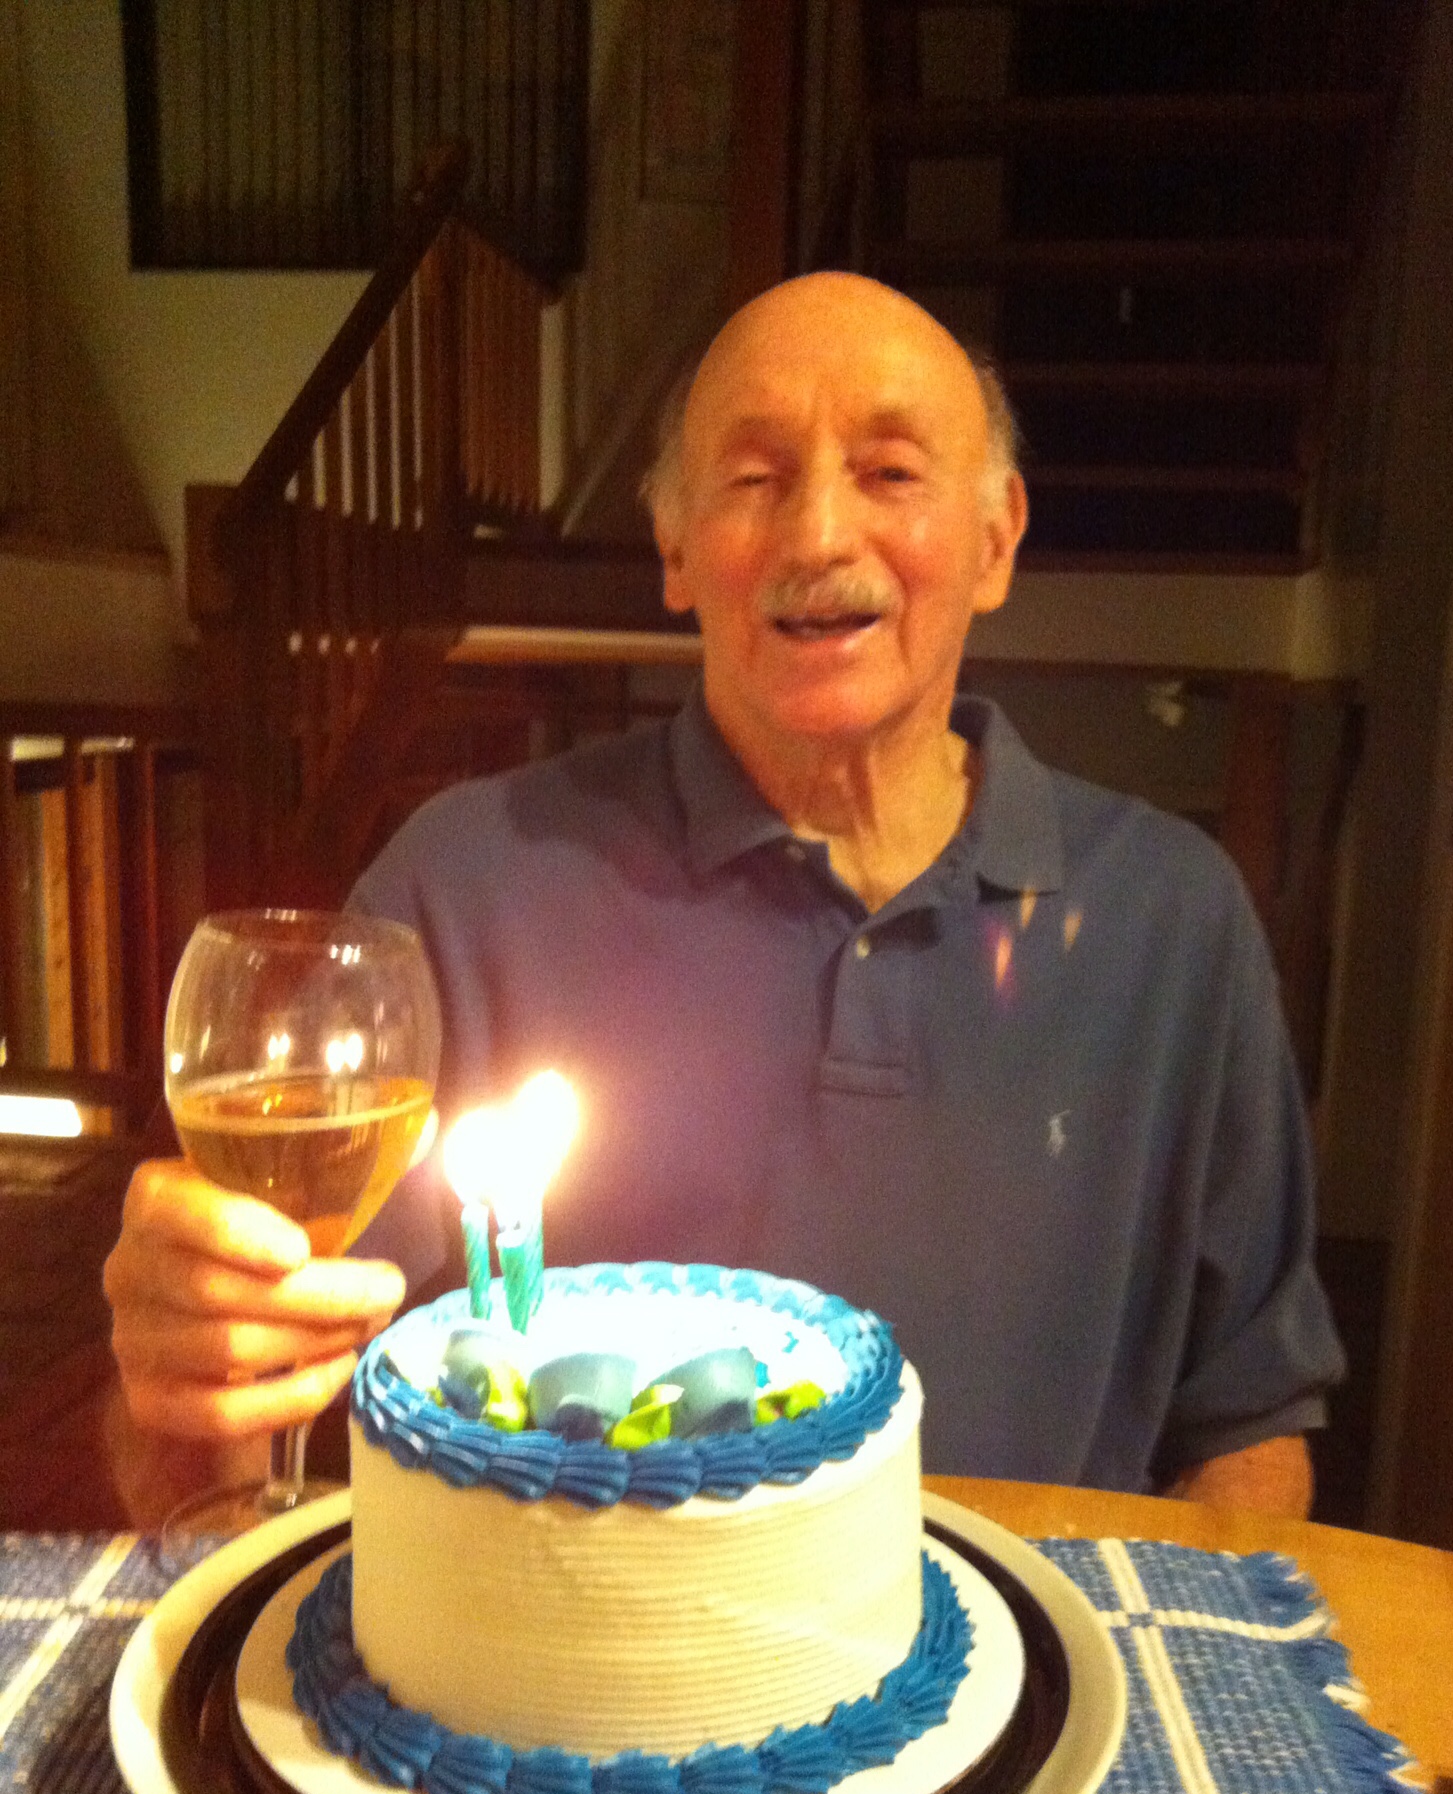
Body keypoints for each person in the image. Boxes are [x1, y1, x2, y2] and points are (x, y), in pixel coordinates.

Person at [105, 272, 1341, 1515]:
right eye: (753, 478)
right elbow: (215, 1424)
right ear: (676, 547)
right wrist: (185, 1379)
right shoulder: (464, 884)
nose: (818, 537)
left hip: (1031, 1633)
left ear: (996, 539)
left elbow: (1250, 1423)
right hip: (562, 1628)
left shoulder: (1174, 919)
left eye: (891, 472)